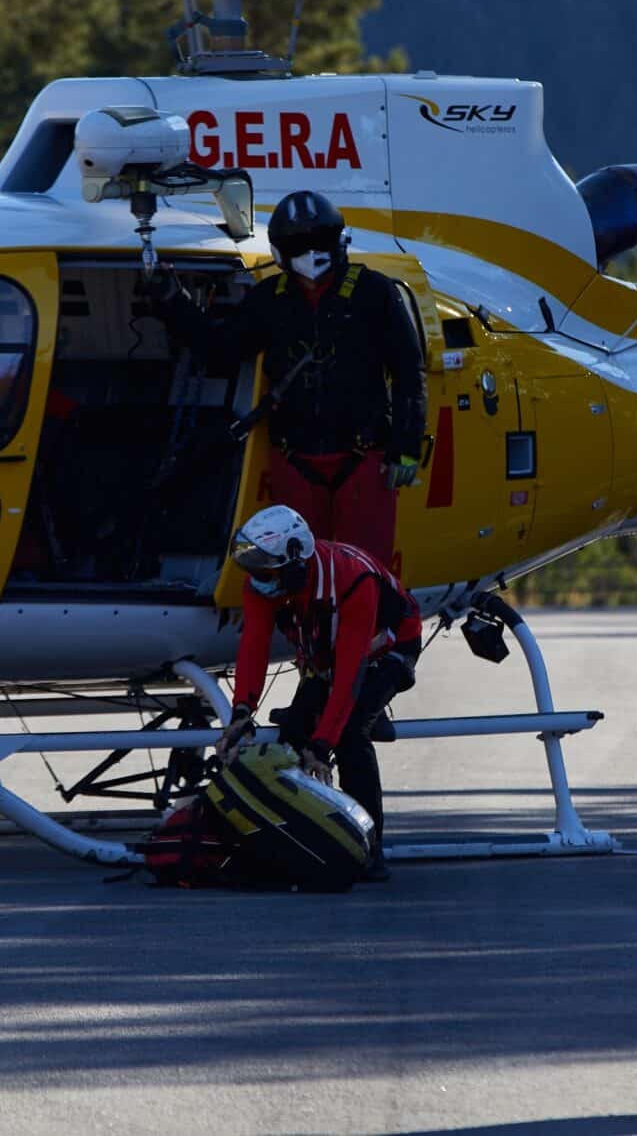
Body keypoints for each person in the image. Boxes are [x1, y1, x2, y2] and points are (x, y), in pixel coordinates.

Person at [148, 189, 427, 567]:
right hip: (296, 461)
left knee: (362, 573)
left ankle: (368, 626)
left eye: (319, 242)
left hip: (363, 461)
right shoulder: (269, 299)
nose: (312, 254)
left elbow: (409, 370)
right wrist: (172, 302)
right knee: (296, 575)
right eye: (301, 245)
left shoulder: (373, 293)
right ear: (280, 252)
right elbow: (221, 349)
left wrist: (407, 446)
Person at [215, 503, 421, 882]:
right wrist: (242, 711)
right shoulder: (264, 582)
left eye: (265, 570)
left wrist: (323, 744)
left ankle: (369, 848)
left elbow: (348, 674)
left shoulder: (354, 580)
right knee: (294, 735)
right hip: (324, 654)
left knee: (351, 732)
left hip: (387, 648)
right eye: (252, 570)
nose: (257, 579)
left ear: (295, 562)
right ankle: (298, 835)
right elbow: (254, 646)